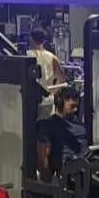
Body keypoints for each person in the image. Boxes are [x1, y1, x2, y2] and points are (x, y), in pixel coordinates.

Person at [31, 28, 63, 182]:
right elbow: (61, 78)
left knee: (32, 140)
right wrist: (53, 92)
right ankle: (46, 177)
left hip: (30, 102)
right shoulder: (52, 57)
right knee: (44, 141)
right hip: (48, 102)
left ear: (31, 39)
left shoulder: (27, 55)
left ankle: (40, 176)